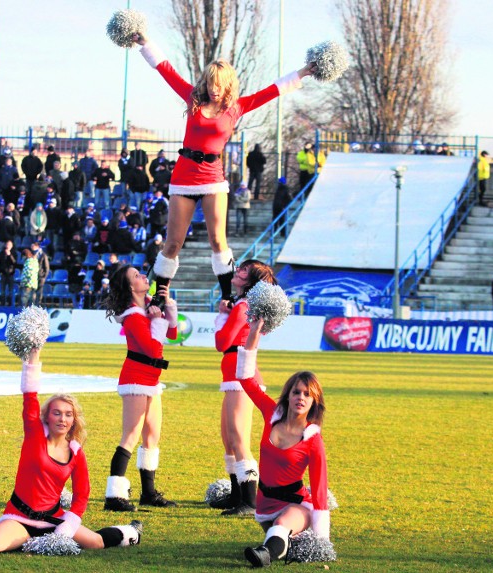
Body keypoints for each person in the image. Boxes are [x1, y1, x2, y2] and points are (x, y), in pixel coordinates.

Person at [132, 33, 316, 309]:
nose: (214, 88)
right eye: (209, 83)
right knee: (172, 243)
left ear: (227, 84)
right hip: (183, 177)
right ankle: (160, 294)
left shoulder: (236, 108)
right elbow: (166, 70)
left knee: (218, 240)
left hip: (213, 179)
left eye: (219, 84)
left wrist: (304, 71)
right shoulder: (193, 100)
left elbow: (272, 90)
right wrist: (145, 41)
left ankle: (228, 294)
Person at [0, 345, 142, 559]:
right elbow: (30, 394)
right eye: (57, 413)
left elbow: (82, 494)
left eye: (68, 414)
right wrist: (34, 354)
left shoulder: (76, 453)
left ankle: (131, 532)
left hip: (55, 520)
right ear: (47, 416)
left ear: (73, 420)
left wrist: (67, 527)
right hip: (20, 517)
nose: (62, 418)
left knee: (95, 542)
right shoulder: (35, 435)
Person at [238, 318, 331, 568]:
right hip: (265, 503)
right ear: (288, 395)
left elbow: (320, 489)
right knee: (276, 531)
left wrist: (322, 539)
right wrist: (254, 335)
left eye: (307, 394)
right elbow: (246, 379)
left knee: (281, 527)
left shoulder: (313, 440)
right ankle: (276, 545)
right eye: (297, 392)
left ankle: (263, 556)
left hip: (297, 503)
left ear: (314, 402)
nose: (301, 397)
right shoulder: (272, 413)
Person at [101, 265, 178, 512]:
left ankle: (149, 493)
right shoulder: (134, 316)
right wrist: (156, 320)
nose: (143, 276)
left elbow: (173, 334)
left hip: (151, 380)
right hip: (136, 379)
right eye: (137, 276)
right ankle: (114, 495)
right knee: (131, 435)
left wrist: (169, 310)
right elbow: (154, 350)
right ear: (131, 287)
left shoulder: (145, 310)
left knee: (152, 436)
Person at [212, 260, 277, 517]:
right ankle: (237, 493)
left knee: (238, 438)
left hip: (241, 376)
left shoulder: (242, 307)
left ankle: (249, 500)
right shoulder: (242, 305)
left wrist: (221, 315)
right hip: (234, 375)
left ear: (250, 282)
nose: (237, 272)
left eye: (243, 271)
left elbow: (221, 341)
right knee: (229, 438)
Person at [0, 241, 17, 305]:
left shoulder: (14, 253)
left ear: (12, 246)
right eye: (7, 244)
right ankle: (2, 303)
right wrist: (0, 271)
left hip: (11, 274)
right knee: (2, 290)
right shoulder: (1, 253)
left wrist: (10, 255)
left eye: (9, 244)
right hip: (3, 274)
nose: (8, 246)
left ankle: (10, 304)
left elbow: (15, 263)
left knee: (11, 290)